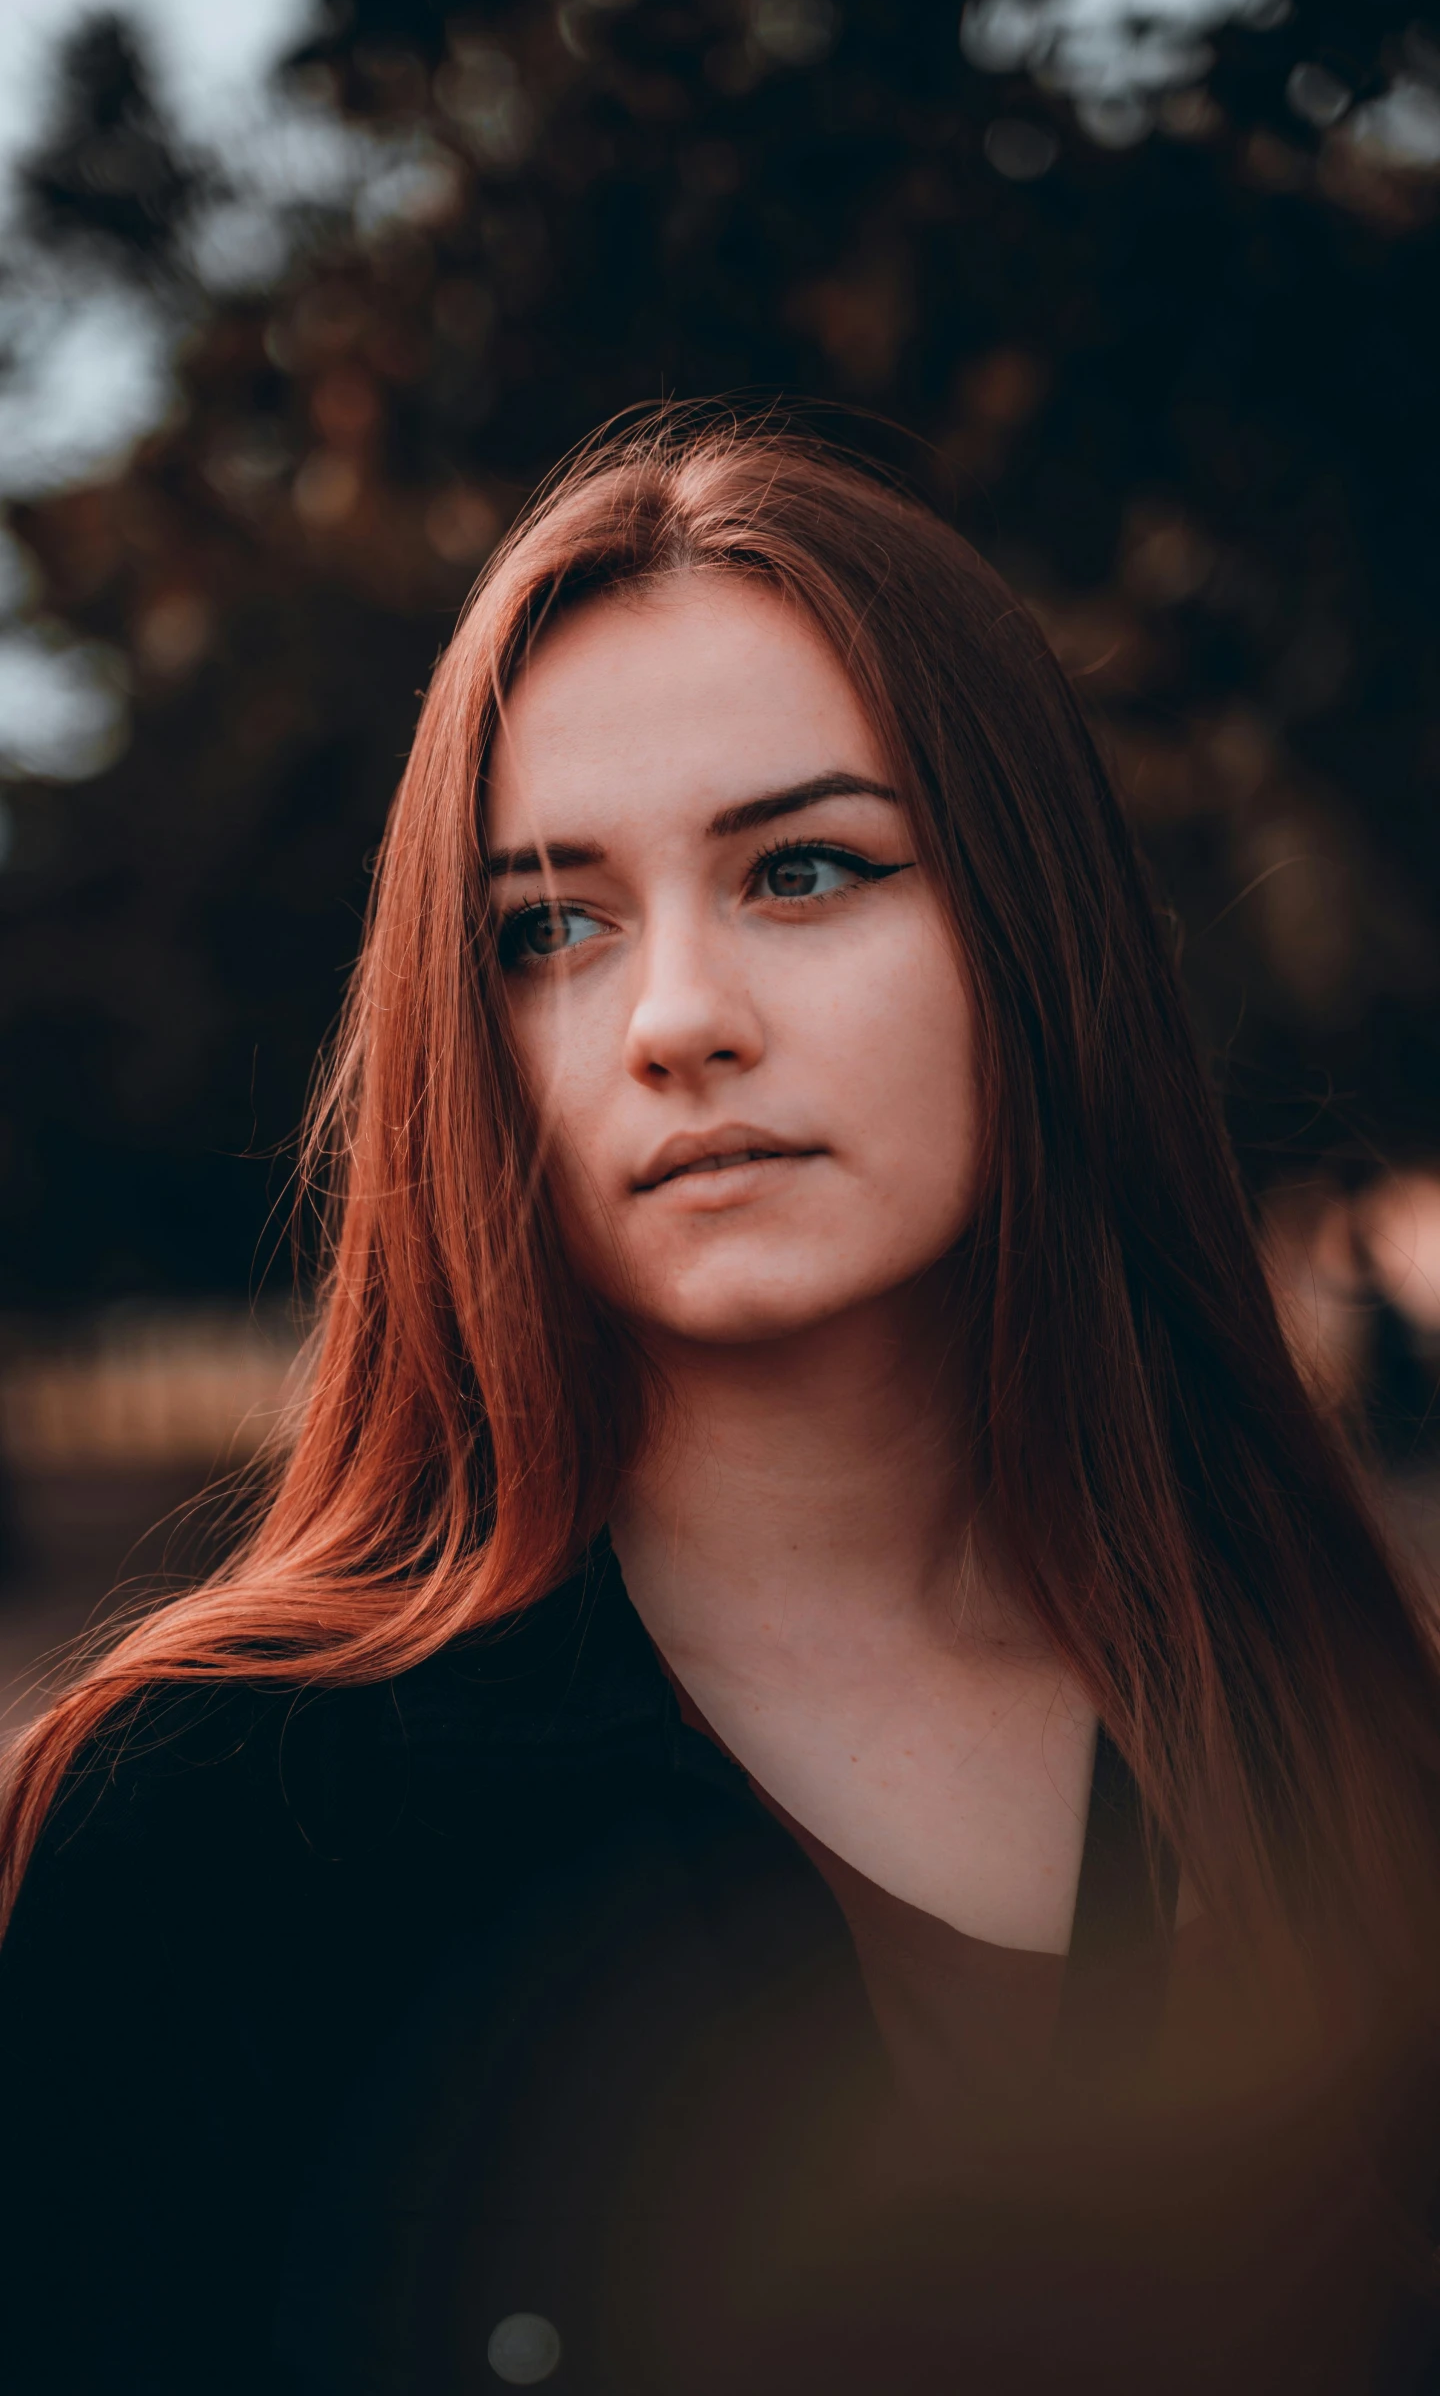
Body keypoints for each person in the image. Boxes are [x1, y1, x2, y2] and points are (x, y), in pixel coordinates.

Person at [2, 411, 1438, 2396]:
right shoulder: (223, 1828)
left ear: (1033, 940)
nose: (679, 1017)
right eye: (552, 926)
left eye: (805, 868)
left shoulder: (1335, 1736)